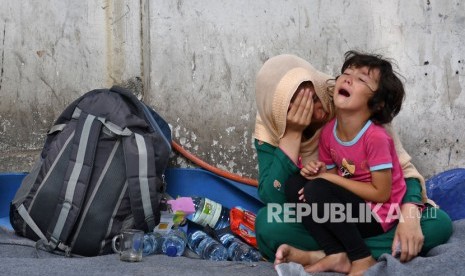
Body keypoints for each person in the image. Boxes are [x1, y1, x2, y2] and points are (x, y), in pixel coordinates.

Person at [253, 53, 453, 271]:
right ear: (280, 110)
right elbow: (275, 199)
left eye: (313, 97)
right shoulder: (272, 124)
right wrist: (292, 134)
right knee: (268, 224)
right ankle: (345, 253)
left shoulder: (355, 104)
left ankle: (326, 254)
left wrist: (410, 217)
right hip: (331, 212)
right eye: (297, 105)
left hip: (376, 211)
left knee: (437, 224)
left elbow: (403, 173)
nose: (315, 108)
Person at [286, 51, 408, 274]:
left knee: (319, 187)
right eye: (346, 72)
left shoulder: (376, 137)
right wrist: (320, 171)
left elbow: (381, 193)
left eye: (362, 79)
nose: (348, 78)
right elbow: (333, 181)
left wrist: (327, 179)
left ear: (378, 103)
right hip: (351, 208)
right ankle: (335, 254)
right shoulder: (328, 133)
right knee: (296, 184)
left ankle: (362, 257)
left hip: (380, 213)